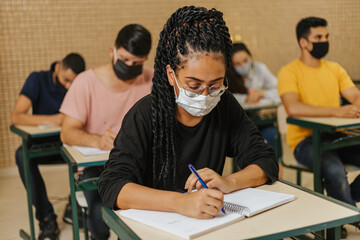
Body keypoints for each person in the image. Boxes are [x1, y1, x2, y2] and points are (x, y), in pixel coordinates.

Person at [98, 6, 278, 220]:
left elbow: (265, 160)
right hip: (154, 225)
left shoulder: (224, 104)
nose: (204, 95)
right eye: (194, 85)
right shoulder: (145, 114)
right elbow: (112, 186)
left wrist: (229, 182)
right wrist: (180, 202)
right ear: (171, 75)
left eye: (215, 85)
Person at [60, 24, 153, 240]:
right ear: (112, 51)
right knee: (99, 215)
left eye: (137, 63)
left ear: (146, 58)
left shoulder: (152, 79)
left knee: (139, 218)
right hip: (98, 167)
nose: (129, 66)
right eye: (124, 59)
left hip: (139, 163)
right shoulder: (85, 82)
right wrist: (98, 140)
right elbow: (67, 133)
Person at [278, 17, 360, 238]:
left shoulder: (334, 69)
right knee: (334, 170)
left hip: (337, 136)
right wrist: (336, 111)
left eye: (326, 37)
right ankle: (351, 215)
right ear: (303, 42)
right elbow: (293, 108)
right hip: (305, 141)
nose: (324, 41)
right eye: (318, 37)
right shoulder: (289, 72)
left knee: (337, 178)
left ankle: (340, 204)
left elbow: (355, 97)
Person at [11, 53, 86, 240]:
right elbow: (17, 116)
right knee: (21, 156)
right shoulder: (36, 80)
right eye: (66, 80)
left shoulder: (82, 85)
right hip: (42, 145)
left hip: (69, 143)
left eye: (73, 83)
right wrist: (52, 120)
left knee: (92, 153)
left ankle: (73, 207)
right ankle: (46, 218)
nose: (69, 86)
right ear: (57, 68)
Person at [227, 42, 279, 149]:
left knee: (272, 136)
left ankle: (275, 164)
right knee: (246, 143)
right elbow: (224, 97)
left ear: (250, 56)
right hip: (239, 123)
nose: (242, 66)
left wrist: (262, 93)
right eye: (237, 64)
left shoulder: (260, 68)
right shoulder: (227, 75)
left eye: (245, 61)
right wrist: (245, 99)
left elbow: (279, 90)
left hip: (261, 119)